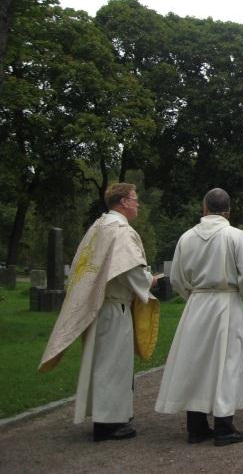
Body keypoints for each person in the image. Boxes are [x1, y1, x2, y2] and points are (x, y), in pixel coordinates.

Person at [39, 183, 156, 442]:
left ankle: (109, 417)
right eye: (136, 199)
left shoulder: (98, 227)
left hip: (99, 306)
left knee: (102, 364)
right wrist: (149, 281)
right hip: (115, 307)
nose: (138, 204)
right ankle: (109, 424)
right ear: (124, 201)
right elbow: (130, 271)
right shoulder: (121, 231)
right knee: (113, 367)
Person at [155, 188, 243, 446]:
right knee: (227, 362)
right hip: (226, 302)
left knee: (196, 362)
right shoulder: (236, 236)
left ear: (204, 209)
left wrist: (192, 294)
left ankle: (197, 425)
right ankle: (224, 426)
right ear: (228, 211)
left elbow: (177, 277)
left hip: (197, 303)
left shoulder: (187, 237)